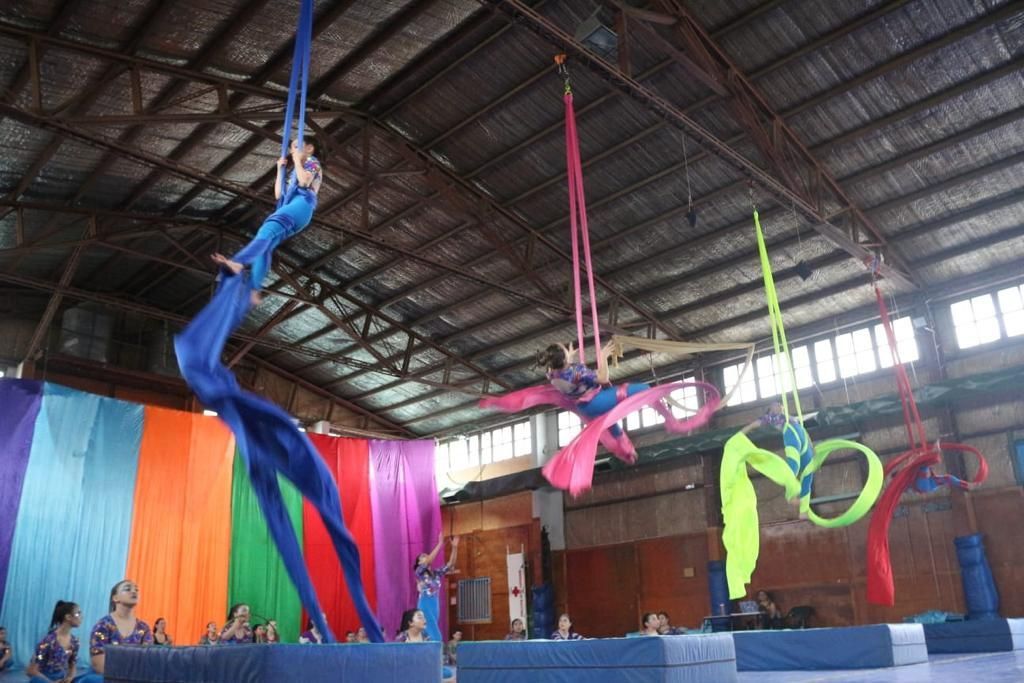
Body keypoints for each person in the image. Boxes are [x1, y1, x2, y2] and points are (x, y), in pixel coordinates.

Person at [211, 137, 324, 306]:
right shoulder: (295, 170)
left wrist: (295, 160)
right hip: (294, 209)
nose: (293, 151)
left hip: (301, 205)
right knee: (265, 246)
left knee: (265, 233)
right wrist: (280, 169)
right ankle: (254, 289)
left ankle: (238, 263)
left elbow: (305, 181)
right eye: (292, 148)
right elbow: (279, 195)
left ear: (309, 148)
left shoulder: (312, 162)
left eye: (295, 147)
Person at [89, 580, 153, 675]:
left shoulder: (144, 628)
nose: (134, 591)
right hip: (107, 677)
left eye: (136, 589)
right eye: (127, 589)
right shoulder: (103, 625)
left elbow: (148, 659)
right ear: (115, 598)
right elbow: (99, 664)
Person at [26, 601, 98, 683]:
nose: (81, 617)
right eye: (78, 613)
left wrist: (70, 677)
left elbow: (72, 666)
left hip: (62, 680)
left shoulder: (74, 642)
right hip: (45, 679)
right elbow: (31, 670)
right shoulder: (48, 641)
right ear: (68, 617)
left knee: (91, 677)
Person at [415, 532, 459, 642]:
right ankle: (433, 650)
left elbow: (451, 564)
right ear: (419, 563)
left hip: (435, 604)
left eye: (426, 555)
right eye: (422, 557)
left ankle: (431, 652)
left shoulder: (436, 573)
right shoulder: (419, 571)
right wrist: (440, 544)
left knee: (433, 628)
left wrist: (454, 548)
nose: (426, 557)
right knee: (433, 634)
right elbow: (429, 560)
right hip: (425, 603)